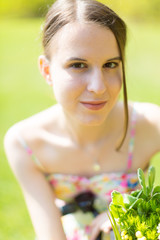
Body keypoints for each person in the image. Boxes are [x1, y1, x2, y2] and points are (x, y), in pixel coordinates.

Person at [4, 0, 160, 239]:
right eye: (78, 65)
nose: (98, 87)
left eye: (110, 64)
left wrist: (133, 208)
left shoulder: (151, 125)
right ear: (47, 71)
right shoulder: (25, 143)